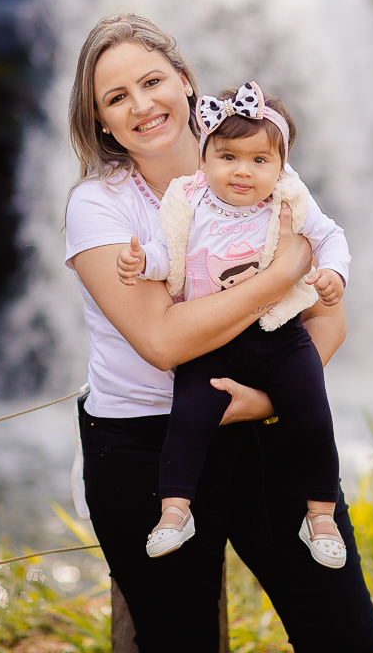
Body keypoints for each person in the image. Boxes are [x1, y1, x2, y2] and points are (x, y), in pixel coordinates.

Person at [65, 13, 373, 652]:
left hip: (267, 431)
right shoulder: (97, 206)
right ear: (100, 120)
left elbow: (330, 317)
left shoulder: (257, 170)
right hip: (145, 447)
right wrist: (283, 270)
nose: (141, 106)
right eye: (116, 98)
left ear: (185, 83)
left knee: (345, 636)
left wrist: (271, 400)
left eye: (152, 82)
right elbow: (164, 341)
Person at [115, 81, 351, 569]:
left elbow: (330, 237)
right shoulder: (191, 202)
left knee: (312, 416)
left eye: (259, 161)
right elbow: (169, 254)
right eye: (228, 157)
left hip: (278, 338)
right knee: (188, 418)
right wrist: (142, 263)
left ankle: (321, 515)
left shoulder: (289, 202)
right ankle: (175, 510)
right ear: (205, 160)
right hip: (213, 339)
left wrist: (333, 274)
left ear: (280, 167)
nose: (243, 171)